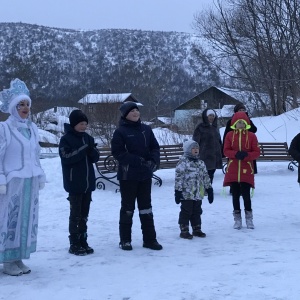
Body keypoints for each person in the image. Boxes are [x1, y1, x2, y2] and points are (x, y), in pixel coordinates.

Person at [0, 78, 46, 276]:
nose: (25, 108)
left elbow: (35, 154)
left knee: (26, 219)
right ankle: (8, 259)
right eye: (21, 104)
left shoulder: (32, 129)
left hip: (30, 181)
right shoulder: (4, 129)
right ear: (13, 108)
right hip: (12, 182)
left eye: (27, 104)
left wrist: (40, 174)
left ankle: (18, 257)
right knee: (10, 219)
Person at [111, 101, 162, 251]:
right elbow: (118, 152)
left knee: (146, 208)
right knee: (127, 209)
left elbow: (155, 147)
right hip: (128, 176)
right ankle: (125, 240)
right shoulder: (120, 132)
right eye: (132, 111)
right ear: (126, 114)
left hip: (145, 175)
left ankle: (150, 239)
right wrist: (136, 160)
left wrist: (154, 161)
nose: (135, 113)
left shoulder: (146, 129)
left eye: (137, 110)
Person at [59, 109, 99, 256]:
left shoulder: (88, 138)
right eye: (81, 124)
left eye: (85, 124)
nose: (83, 126)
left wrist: (93, 151)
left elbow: (95, 158)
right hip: (74, 183)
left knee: (84, 214)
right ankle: (74, 243)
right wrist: (83, 149)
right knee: (75, 214)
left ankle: (83, 239)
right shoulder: (66, 139)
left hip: (88, 183)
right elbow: (67, 157)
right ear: (74, 124)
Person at [223, 111, 260, 229]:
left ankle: (249, 219)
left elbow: (257, 152)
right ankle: (237, 219)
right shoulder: (229, 135)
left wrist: (246, 155)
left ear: (246, 124)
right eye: (239, 122)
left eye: (243, 123)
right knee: (235, 196)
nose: (240, 124)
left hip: (246, 170)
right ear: (235, 123)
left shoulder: (251, 136)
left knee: (246, 196)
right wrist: (235, 154)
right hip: (233, 169)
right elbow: (225, 151)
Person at [175, 140, 213, 239]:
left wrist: (209, 188)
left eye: (197, 148)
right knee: (186, 211)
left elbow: (205, 176)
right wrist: (178, 191)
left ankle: (197, 229)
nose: (196, 150)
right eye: (193, 148)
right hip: (186, 193)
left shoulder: (201, 163)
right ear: (188, 150)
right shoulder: (183, 162)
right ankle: (184, 230)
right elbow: (179, 178)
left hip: (198, 193)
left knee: (197, 211)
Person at [223, 103, 258, 174]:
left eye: (243, 110)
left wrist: (247, 124)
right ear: (236, 111)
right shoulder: (231, 121)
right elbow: (226, 135)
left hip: (247, 146)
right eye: (240, 110)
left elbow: (254, 130)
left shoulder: (248, 120)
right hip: (234, 146)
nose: (242, 111)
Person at [192, 108, 223, 184]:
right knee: (205, 172)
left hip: (215, 154)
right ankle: (204, 187)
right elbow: (195, 141)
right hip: (205, 154)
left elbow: (219, 140)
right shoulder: (200, 127)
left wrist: (221, 150)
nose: (211, 117)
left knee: (212, 172)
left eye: (213, 115)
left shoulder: (215, 127)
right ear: (206, 116)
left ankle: (208, 187)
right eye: (210, 115)